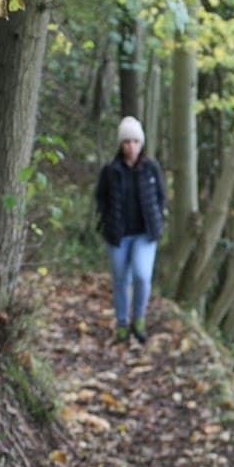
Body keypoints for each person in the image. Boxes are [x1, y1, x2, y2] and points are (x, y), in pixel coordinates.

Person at [95, 116, 166, 344]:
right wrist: (107, 220)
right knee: (120, 280)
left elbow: (161, 197)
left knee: (142, 276)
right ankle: (122, 323)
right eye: (127, 141)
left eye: (135, 141)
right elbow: (101, 198)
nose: (131, 146)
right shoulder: (110, 170)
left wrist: (158, 219)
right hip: (118, 235)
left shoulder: (152, 168)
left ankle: (139, 319)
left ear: (141, 142)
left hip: (145, 234)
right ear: (121, 144)